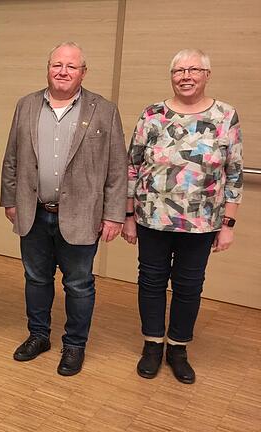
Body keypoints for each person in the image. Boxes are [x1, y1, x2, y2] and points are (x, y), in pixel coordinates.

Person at [0, 42, 127, 376]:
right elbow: (12, 157)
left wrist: (114, 214)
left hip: (82, 215)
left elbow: (117, 167)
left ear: (83, 72)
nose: (63, 71)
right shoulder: (26, 105)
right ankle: (38, 336)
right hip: (34, 211)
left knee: (79, 284)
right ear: (48, 68)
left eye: (71, 66)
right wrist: (9, 199)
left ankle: (74, 346)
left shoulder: (103, 110)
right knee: (36, 279)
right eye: (57, 64)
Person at [122, 49, 243, 384]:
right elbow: (132, 167)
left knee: (189, 287)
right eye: (179, 70)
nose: (186, 76)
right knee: (151, 282)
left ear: (207, 74)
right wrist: (128, 215)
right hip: (151, 219)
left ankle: (178, 347)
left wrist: (228, 224)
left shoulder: (225, 116)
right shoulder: (152, 114)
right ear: (171, 75)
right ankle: (152, 343)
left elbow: (233, 174)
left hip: (202, 223)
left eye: (194, 69)